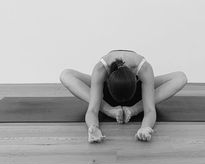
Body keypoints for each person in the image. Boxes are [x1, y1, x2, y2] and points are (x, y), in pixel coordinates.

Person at [60, 49, 188, 143]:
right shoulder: (100, 69)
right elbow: (92, 110)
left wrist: (145, 128)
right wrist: (93, 127)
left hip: (137, 98)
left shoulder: (144, 69)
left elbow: (150, 110)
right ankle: (107, 108)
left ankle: (135, 109)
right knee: (66, 75)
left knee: (181, 78)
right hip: (107, 97)